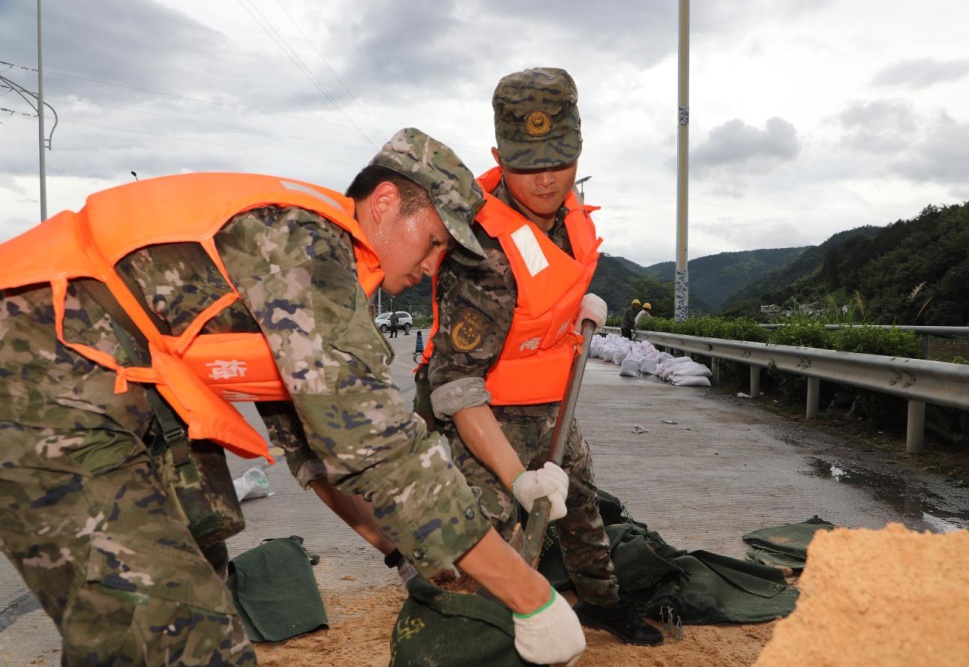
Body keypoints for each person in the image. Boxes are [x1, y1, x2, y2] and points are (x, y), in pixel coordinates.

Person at [0, 128, 585, 666]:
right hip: (39, 370)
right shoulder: (303, 245)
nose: (434, 267)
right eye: (434, 242)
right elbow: (379, 452)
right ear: (384, 205)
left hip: (115, 379)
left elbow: (321, 457)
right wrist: (530, 597)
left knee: (196, 553)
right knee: (178, 633)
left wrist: (405, 556)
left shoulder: (314, 264)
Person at [418, 68, 663, 646]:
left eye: (560, 158)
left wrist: (580, 305)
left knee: (581, 507)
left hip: (552, 401)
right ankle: (491, 639)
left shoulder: (570, 213)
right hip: (486, 417)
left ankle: (601, 602)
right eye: (528, 163)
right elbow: (454, 384)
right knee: (493, 542)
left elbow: (549, 288)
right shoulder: (481, 253)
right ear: (499, 154)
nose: (548, 179)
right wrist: (516, 477)